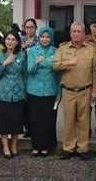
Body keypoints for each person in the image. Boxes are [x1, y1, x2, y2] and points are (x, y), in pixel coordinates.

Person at [53, 21, 96, 160]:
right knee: (69, 121)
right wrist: (67, 63)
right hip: (68, 91)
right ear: (70, 33)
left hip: (85, 90)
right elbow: (54, 66)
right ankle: (68, 148)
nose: (77, 34)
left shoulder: (91, 49)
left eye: (79, 31)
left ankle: (83, 148)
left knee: (84, 121)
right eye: (74, 31)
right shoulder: (62, 49)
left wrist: (94, 90)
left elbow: (94, 71)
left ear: (84, 34)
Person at [26, 27, 60, 157]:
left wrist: (59, 93)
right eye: (42, 37)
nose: (45, 39)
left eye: (47, 37)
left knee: (48, 119)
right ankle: (36, 146)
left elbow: (58, 74)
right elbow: (29, 70)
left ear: (51, 38)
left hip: (50, 90)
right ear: (39, 38)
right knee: (35, 119)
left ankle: (46, 146)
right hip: (34, 90)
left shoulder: (56, 51)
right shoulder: (33, 51)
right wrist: (36, 62)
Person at [0, 31, 27, 159]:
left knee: (16, 122)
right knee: (4, 123)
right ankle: (5, 146)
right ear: (4, 41)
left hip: (18, 93)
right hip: (2, 93)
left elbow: (24, 73)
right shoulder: (0, 57)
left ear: (17, 42)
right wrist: (5, 63)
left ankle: (14, 146)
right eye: (8, 39)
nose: (10, 41)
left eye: (13, 39)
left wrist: (24, 91)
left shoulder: (22, 56)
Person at [20, 18, 39, 138]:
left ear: (35, 28)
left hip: (35, 74)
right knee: (24, 103)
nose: (29, 29)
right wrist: (24, 46)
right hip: (22, 75)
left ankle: (34, 127)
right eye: (27, 27)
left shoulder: (40, 40)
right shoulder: (21, 40)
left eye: (32, 27)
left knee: (33, 103)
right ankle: (26, 127)